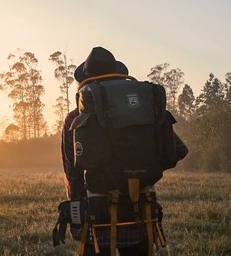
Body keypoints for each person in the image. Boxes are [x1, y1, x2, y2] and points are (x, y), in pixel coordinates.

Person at [61, 46, 188, 256]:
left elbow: (72, 174)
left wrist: (77, 220)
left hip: (97, 217)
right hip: (141, 214)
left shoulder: (75, 118)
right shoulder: (144, 111)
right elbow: (179, 150)